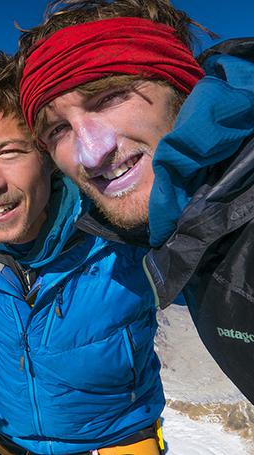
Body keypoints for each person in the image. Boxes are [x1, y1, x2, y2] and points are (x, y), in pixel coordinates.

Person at [0, 50, 164, 455]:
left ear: (48, 154)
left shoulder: (121, 220)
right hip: (8, 441)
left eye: (8, 152)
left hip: (119, 439)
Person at [17, 0, 254, 402]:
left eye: (108, 97)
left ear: (181, 88)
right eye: (59, 128)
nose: (91, 154)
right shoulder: (184, 224)